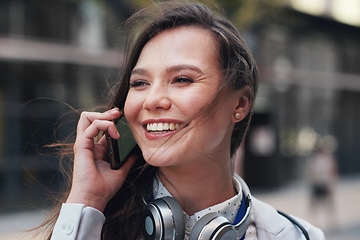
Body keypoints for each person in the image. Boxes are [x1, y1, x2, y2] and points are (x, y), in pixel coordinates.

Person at [40, 1, 325, 239]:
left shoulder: (298, 235)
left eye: (182, 79)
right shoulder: (91, 224)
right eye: (139, 83)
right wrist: (87, 201)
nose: (152, 100)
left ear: (239, 104)